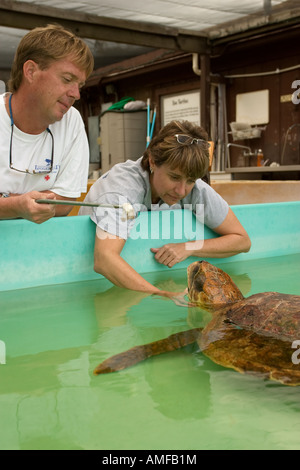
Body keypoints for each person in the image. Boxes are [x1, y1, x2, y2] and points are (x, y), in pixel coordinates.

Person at [80, 120, 251, 302]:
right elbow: (104, 260)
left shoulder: (194, 188)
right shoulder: (122, 188)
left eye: (191, 180)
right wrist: (161, 294)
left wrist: (189, 247)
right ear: (153, 161)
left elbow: (242, 241)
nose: (181, 190)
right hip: (92, 284)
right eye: (174, 177)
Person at [0, 24, 94, 224]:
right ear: (31, 71)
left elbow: (67, 201)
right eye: (67, 79)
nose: (76, 94)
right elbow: (55, 202)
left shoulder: (72, 121)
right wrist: (15, 206)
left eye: (80, 86)